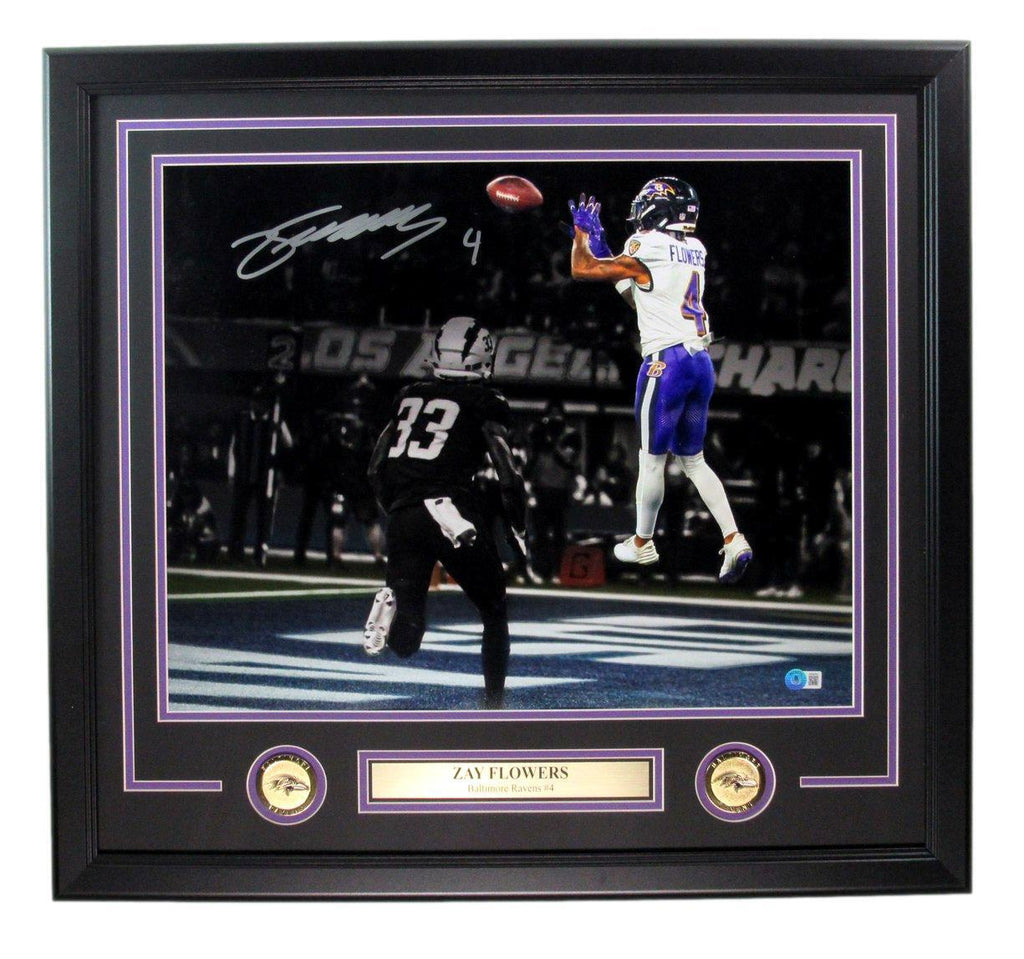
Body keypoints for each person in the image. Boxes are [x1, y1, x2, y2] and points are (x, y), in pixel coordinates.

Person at [568, 178, 752, 583]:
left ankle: (642, 541)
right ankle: (733, 537)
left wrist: (582, 237)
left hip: (665, 363)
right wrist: (603, 247)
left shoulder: (645, 244)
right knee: (694, 460)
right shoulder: (695, 248)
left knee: (651, 459)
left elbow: (582, 270)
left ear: (661, 210)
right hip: (700, 362)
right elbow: (640, 294)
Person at [363, 316, 528, 708]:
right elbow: (507, 474)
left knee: (407, 639)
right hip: (450, 513)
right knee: (494, 609)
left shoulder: (408, 395)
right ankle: (494, 705)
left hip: (405, 512)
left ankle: (390, 611)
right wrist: (517, 528)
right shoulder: (485, 401)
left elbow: (374, 468)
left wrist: (398, 510)